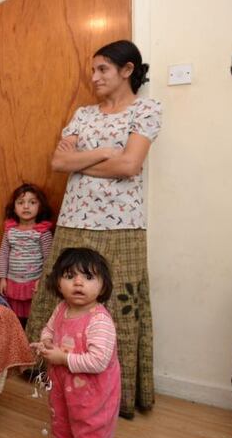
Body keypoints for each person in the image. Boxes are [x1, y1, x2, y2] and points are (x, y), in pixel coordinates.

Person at [25, 39, 162, 418]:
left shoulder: (147, 108)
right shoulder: (83, 115)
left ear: (127, 70)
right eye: (93, 70)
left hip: (124, 225)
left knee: (117, 304)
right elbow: (57, 161)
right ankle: (50, 371)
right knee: (64, 296)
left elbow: (130, 166)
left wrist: (80, 161)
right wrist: (104, 153)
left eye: (103, 69)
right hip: (74, 219)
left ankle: (116, 391)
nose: (95, 76)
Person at [32, 247, 120, 438]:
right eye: (70, 276)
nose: (78, 282)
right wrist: (46, 342)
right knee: (61, 423)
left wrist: (62, 358)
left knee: (90, 434)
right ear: (58, 283)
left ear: (103, 286)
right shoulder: (62, 308)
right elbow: (49, 329)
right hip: (62, 387)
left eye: (88, 277)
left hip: (93, 396)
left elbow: (98, 361)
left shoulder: (99, 321)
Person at [0, 183, 54, 327]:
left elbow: (49, 259)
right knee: (14, 320)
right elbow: (3, 254)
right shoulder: (10, 230)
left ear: (40, 206)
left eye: (32, 202)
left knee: (33, 319)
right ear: (14, 207)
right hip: (13, 282)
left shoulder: (43, 232)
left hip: (34, 283)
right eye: (21, 202)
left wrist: (42, 280)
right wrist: (2, 278)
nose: (26, 206)